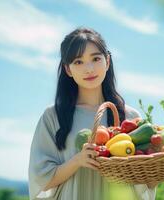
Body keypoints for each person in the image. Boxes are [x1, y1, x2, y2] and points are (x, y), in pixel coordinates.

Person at [28, 27, 157, 200]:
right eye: (78, 62)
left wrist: (153, 176)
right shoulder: (53, 116)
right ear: (68, 69)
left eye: (96, 59)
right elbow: (41, 179)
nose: (89, 69)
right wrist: (78, 161)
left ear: (107, 61)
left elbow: (143, 180)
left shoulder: (130, 117)